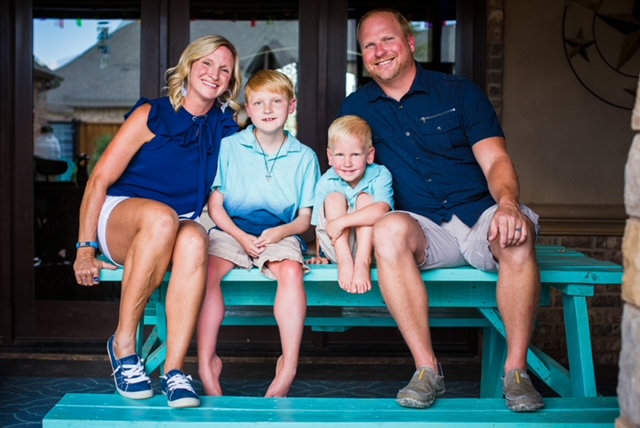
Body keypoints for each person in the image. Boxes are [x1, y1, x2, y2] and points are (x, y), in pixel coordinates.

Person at [339, 8, 544, 412]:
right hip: (423, 226)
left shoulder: (458, 92)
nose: (380, 51)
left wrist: (507, 205)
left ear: (411, 43)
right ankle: (427, 369)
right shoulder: (356, 107)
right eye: (369, 45)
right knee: (388, 230)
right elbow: (348, 176)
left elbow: (496, 160)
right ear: (362, 55)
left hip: (477, 213)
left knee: (516, 234)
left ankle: (516, 372)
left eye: (388, 40)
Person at [72, 35, 243, 409]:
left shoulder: (227, 128)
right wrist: (85, 248)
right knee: (162, 218)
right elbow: (99, 179)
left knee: (196, 238)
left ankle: (175, 369)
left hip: (176, 222)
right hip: (123, 214)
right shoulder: (152, 114)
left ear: (231, 81)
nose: (214, 74)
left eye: (224, 69)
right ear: (189, 65)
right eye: (207, 64)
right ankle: (123, 344)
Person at [197, 69, 320, 398]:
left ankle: (288, 365)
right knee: (207, 272)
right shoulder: (229, 148)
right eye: (258, 103)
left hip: (280, 232)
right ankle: (207, 362)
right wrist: (239, 236)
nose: (267, 109)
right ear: (248, 110)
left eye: (276, 101)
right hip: (231, 229)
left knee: (292, 271)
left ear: (291, 106)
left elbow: (305, 219)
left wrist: (281, 231)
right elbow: (216, 206)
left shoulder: (305, 157)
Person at [307, 115, 393, 294]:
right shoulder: (326, 181)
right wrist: (319, 255)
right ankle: (345, 261)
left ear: (370, 155)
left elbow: (382, 209)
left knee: (365, 200)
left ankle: (362, 262)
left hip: (372, 249)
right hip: (336, 249)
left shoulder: (380, 174)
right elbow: (319, 227)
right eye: (340, 155)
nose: (347, 163)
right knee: (334, 198)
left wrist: (342, 222)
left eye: (355, 154)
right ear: (330, 156)